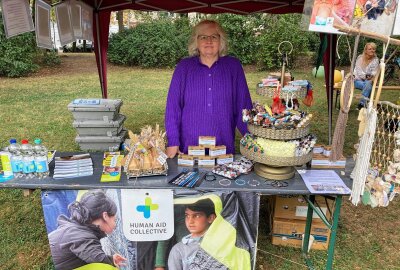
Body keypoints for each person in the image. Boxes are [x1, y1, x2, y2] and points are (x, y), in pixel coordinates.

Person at [164, 20, 252, 158]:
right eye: (203, 37)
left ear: (221, 41)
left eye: (214, 37)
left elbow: (244, 106)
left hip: (223, 148)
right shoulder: (184, 67)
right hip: (188, 148)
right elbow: (173, 107)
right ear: (196, 42)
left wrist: (252, 140)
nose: (209, 41)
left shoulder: (233, 66)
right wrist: (173, 142)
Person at [48, 190, 127, 270]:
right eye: (114, 220)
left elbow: (91, 257)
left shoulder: (77, 230)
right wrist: (110, 263)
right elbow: (101, 264)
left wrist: (110, 259)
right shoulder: (82, 237)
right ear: (105, 216)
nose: (115, 224)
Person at [167, 199, 216, 270]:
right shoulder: (179, 249)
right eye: (187, 216)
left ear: (211, 218)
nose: (190, 221)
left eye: (197, 216)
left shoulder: (220, 243)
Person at [354, 42, 379, 109]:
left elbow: (375, 71)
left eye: (373, 49)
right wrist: (366, 76)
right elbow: (359, 71)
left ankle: (361, 104)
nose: (372, 50)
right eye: (370, 49)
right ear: (365, 50)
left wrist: (371, 76)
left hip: (369, 81)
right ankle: (370, 102)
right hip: (357, 81)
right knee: (369, 86)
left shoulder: (376, 60)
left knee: (368, 84)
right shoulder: (360, 58)